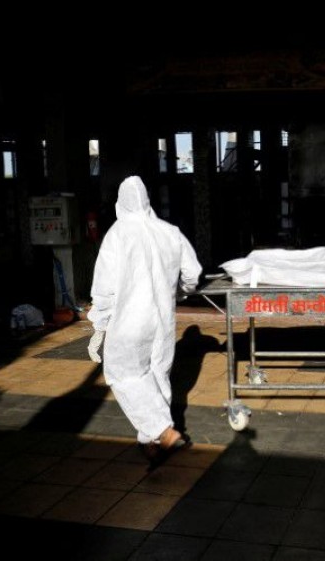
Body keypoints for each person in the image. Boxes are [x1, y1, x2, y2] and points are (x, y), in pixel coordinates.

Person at [87, 175, 203, 462]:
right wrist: (179, 293)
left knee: (123, 374)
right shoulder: (170, 232)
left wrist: (99, 327)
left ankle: (162, 431)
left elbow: (104, 287)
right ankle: (150, 440)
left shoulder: (117, 235)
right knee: (156, 374)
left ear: (120, 202)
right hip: (162, 319)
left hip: (129, 319)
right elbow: (193, 274)